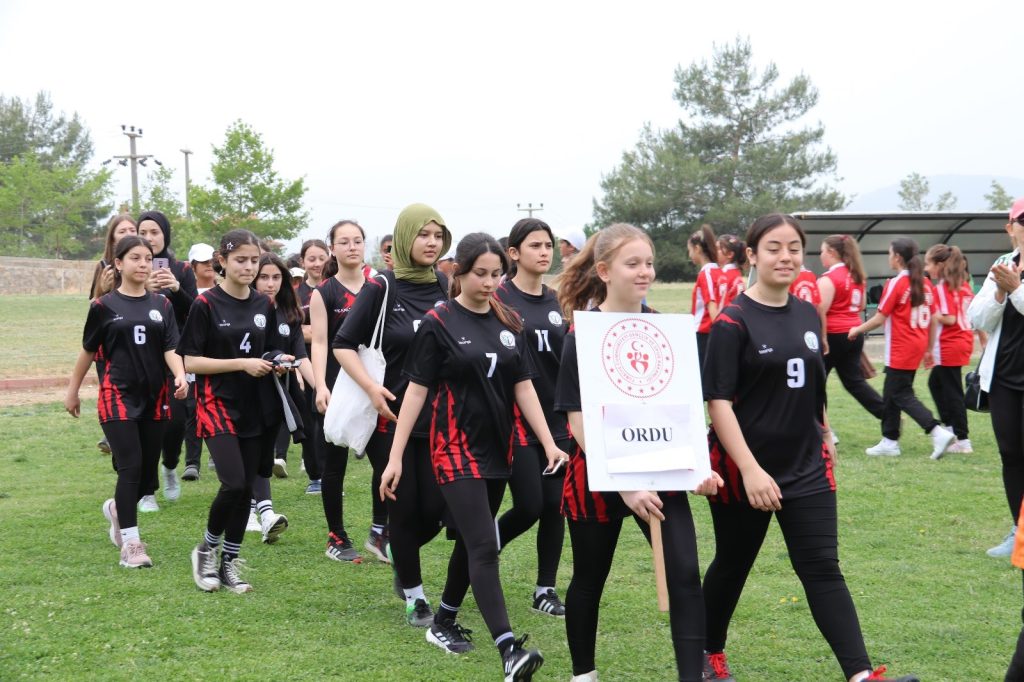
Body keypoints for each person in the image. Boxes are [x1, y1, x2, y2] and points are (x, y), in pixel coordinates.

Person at [701, 213, 918, 682]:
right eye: (774, 248)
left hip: (807, 467)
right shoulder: (731, 322)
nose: (786, 256)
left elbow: (812, 384)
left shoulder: (804, 311)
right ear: (753, 256)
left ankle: (861, 675)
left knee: (822, 568)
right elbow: (717, 403)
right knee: (733, 565)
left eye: (794, 248)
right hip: (746, 471)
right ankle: (707, 654)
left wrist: (824, 431)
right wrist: (750, 469)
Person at [380, 232, 557, 680]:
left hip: (499, 447)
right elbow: (415, 392)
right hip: (453, 449)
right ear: (458, 271)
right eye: (481, 274)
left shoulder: (509, 318)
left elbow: (524, 387)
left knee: (475, 540)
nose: (490, 282)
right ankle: (508, 650)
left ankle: (442, 620)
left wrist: (549, 443)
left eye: (497, 274)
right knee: (483, 544)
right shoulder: (438, 322)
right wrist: (396, 456)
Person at [553, 222, 720, 682]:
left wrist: (696, 468)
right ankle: (583, 674)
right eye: (633, 264)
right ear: (604, 270)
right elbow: (576, 419)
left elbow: (682, 409)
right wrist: (624, 486)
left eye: (648, 262)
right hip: (600, 477)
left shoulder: (668, 331)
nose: (644, 271)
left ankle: (692, 674)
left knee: (685, 575)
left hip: (662, 469)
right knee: (590, 578)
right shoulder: (579, 337)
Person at [334, 204, 451, 626]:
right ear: (404, 239)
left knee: (440, 510)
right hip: (391, 417)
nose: (432, 242)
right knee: (403, 507)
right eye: (423, 235)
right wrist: (371, 388)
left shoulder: (443, 283)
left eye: (438, 235)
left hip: (439, 418)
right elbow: (343, 344)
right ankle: (416, 597)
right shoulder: (381, 286)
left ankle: (402, 554)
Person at [178, 229, 294, 593]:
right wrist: (242, 363)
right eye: (240, 260)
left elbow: (272, 347)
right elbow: (191, 360)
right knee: (234, 483)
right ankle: (205, 550)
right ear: (222, 262)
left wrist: (278, 360)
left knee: (246, 490)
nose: (248, 267)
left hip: (256, 406)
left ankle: (229, 562)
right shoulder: (206, 305)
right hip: (217, 405)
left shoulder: (265, 304)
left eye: (254, 260)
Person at [65, 235, 188, 568]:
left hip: (156, 397)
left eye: (148, 258)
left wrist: (179, 374)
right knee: (131, 466)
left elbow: (171, 348)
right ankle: (132, 546)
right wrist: (72, 390)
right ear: (118, 264)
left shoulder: (162, 305)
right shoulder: (103, 307)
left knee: (147, 479)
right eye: (135, 258)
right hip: (116, 395)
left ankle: (118, 510)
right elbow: (88, 351)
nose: (143, 264)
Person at [493, 218, 571, 617]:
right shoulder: (499, 298)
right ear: (514, 253)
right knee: (529, 506)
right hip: (516, 422)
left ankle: (545, 589)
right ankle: (482, 551)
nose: (544, 253)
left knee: (556, 506)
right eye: (535, 245)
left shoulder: (559, 300)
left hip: (558, 420)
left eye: (548, 246)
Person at [849, 238, 955, 459]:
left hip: (901, 347)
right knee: (891, 394)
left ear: (897, 257)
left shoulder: (897, 283)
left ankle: (936, 431)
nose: (889, 258)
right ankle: (889, 441)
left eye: (890, 254)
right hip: (915, 345)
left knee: (901, 394)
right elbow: (933, 320)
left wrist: (857, 329)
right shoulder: (926, 283)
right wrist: (927, 349)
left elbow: (879, 318)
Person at [311, 220, 371, 562]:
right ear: (332, 248)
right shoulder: (325, 292)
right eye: (344, 241)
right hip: (336, 385)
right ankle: (337, 535)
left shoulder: (378, 287)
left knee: (385, 457)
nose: (352, 246)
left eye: (358, 240)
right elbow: (319, 342)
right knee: (334, 463)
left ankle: (381, 530)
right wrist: (321, 385)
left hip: (373, 384)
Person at [246, 252, 316, 543]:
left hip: (276, 393)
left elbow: (301, 357)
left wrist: (322, 389)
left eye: (276, 277)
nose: (270, 283)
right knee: (248, 453)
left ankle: (257, 511)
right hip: (241, 391)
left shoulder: (290, 314)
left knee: (262, 453)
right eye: (264, 277)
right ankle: (261, 512)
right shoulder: (243, 309)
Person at [968, 197, 1024, 559]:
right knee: (1011, 455)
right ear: (1010, 228)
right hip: (1004, 376)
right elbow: (976, 319)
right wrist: (1002, 290)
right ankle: (1019, 533)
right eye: (1022, 221)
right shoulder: (1004, 265)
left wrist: (1016, 289)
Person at [137, 210, 198, 511]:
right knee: (147, 424)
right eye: (143, 232)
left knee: (175, 422)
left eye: (154, 232)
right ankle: (147, 490)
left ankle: (170, 465)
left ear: (165, 236)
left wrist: (176, 288)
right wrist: (141, 289)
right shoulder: (133, 267)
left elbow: (197, 313)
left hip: (175, 355)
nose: (149, 238)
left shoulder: (182, 268)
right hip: (140, 357)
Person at [816, 235, 885, 440]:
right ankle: (888, 414)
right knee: (854, 382)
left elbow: (820, 309)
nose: (821, 255)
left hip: (833, 335)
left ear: (832, 253)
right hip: (854, 333)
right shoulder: (857, 277)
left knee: (816, 383)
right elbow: (862, 305)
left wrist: (822, 338)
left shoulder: (828, 278)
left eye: (822, 251)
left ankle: (824, 430)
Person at [89, 213, 138, 456]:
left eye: (132, 230)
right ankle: (113, 437)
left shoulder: (143, 264)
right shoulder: (103, 266)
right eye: (122, 231)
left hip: (139, 344)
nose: (128, 234)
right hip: (108, 347)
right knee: (112, 394)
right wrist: (103, 290)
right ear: (112, 237)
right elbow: (92, 305)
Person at [924, 244, 974, 454]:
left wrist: (931, 313)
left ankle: (962, 439)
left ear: (941, 265)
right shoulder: (963, 285)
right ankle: (952, 429)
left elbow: (950, 318)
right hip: (962, 341)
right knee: (936, 384)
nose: (927, 268)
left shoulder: (943, 287)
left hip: (950, 344)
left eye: (929, 263)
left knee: (952, 392)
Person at [296, 239, 331, 492]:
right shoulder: (297, 294)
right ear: (302, 262)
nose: (317, 263)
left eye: (321, 257)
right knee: (310, 418)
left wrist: (315, 331)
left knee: (330, 418)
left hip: (336, 361)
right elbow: (293, 331)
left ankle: (330, 473)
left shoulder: (335, 288)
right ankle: (315, 476)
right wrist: (316, 332)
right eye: (312, 258)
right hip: (304, 362)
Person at [182, 242, 217, 482]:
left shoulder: (224, 291)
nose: (209, 266)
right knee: (191, 409)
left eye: (211, 261)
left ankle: (217, 454)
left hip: (218, 359)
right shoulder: (186, 294)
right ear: (192, 267)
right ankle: (192, 463)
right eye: (203, 262)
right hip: (191, 358)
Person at [688, 223, 723, 369]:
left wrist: (720, 334)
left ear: (697, 249)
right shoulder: (720, 271)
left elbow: (711, 304)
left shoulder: (706, 273)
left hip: (704, 332)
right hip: (712, 332)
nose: (689, 255)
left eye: (689, 250)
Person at [716, 234, 747, 309]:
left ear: (730, 254)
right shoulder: (737, 275)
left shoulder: (723, 277)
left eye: (718, 249)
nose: (714, 251)